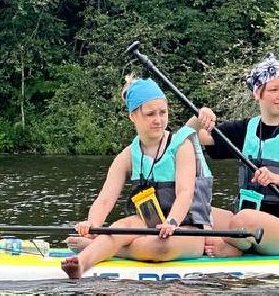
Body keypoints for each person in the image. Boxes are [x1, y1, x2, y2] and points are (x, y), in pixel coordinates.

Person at [60, 76, 214, 279]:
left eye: (163, 113)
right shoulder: (127, 156)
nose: (158, 120)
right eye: (150, 114)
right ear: (133, 116)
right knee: (120, 227)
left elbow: (185, 192)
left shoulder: (180, 146)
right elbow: (105, 199)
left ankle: (102, 247)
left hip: (187, 226)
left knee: (159, 246)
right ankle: (82, 264)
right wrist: (91, 224)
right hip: (147, 224)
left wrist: (172, 222)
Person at [189, 54, 279, 256]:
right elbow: (192, 138)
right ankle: (226, 243)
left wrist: (276, 179)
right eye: (274, 90)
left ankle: (230, 248)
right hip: (246, 220)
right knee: (192, 210)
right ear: (257, 93)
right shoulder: (246, 129)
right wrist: (198, 118)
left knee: (243, 220)